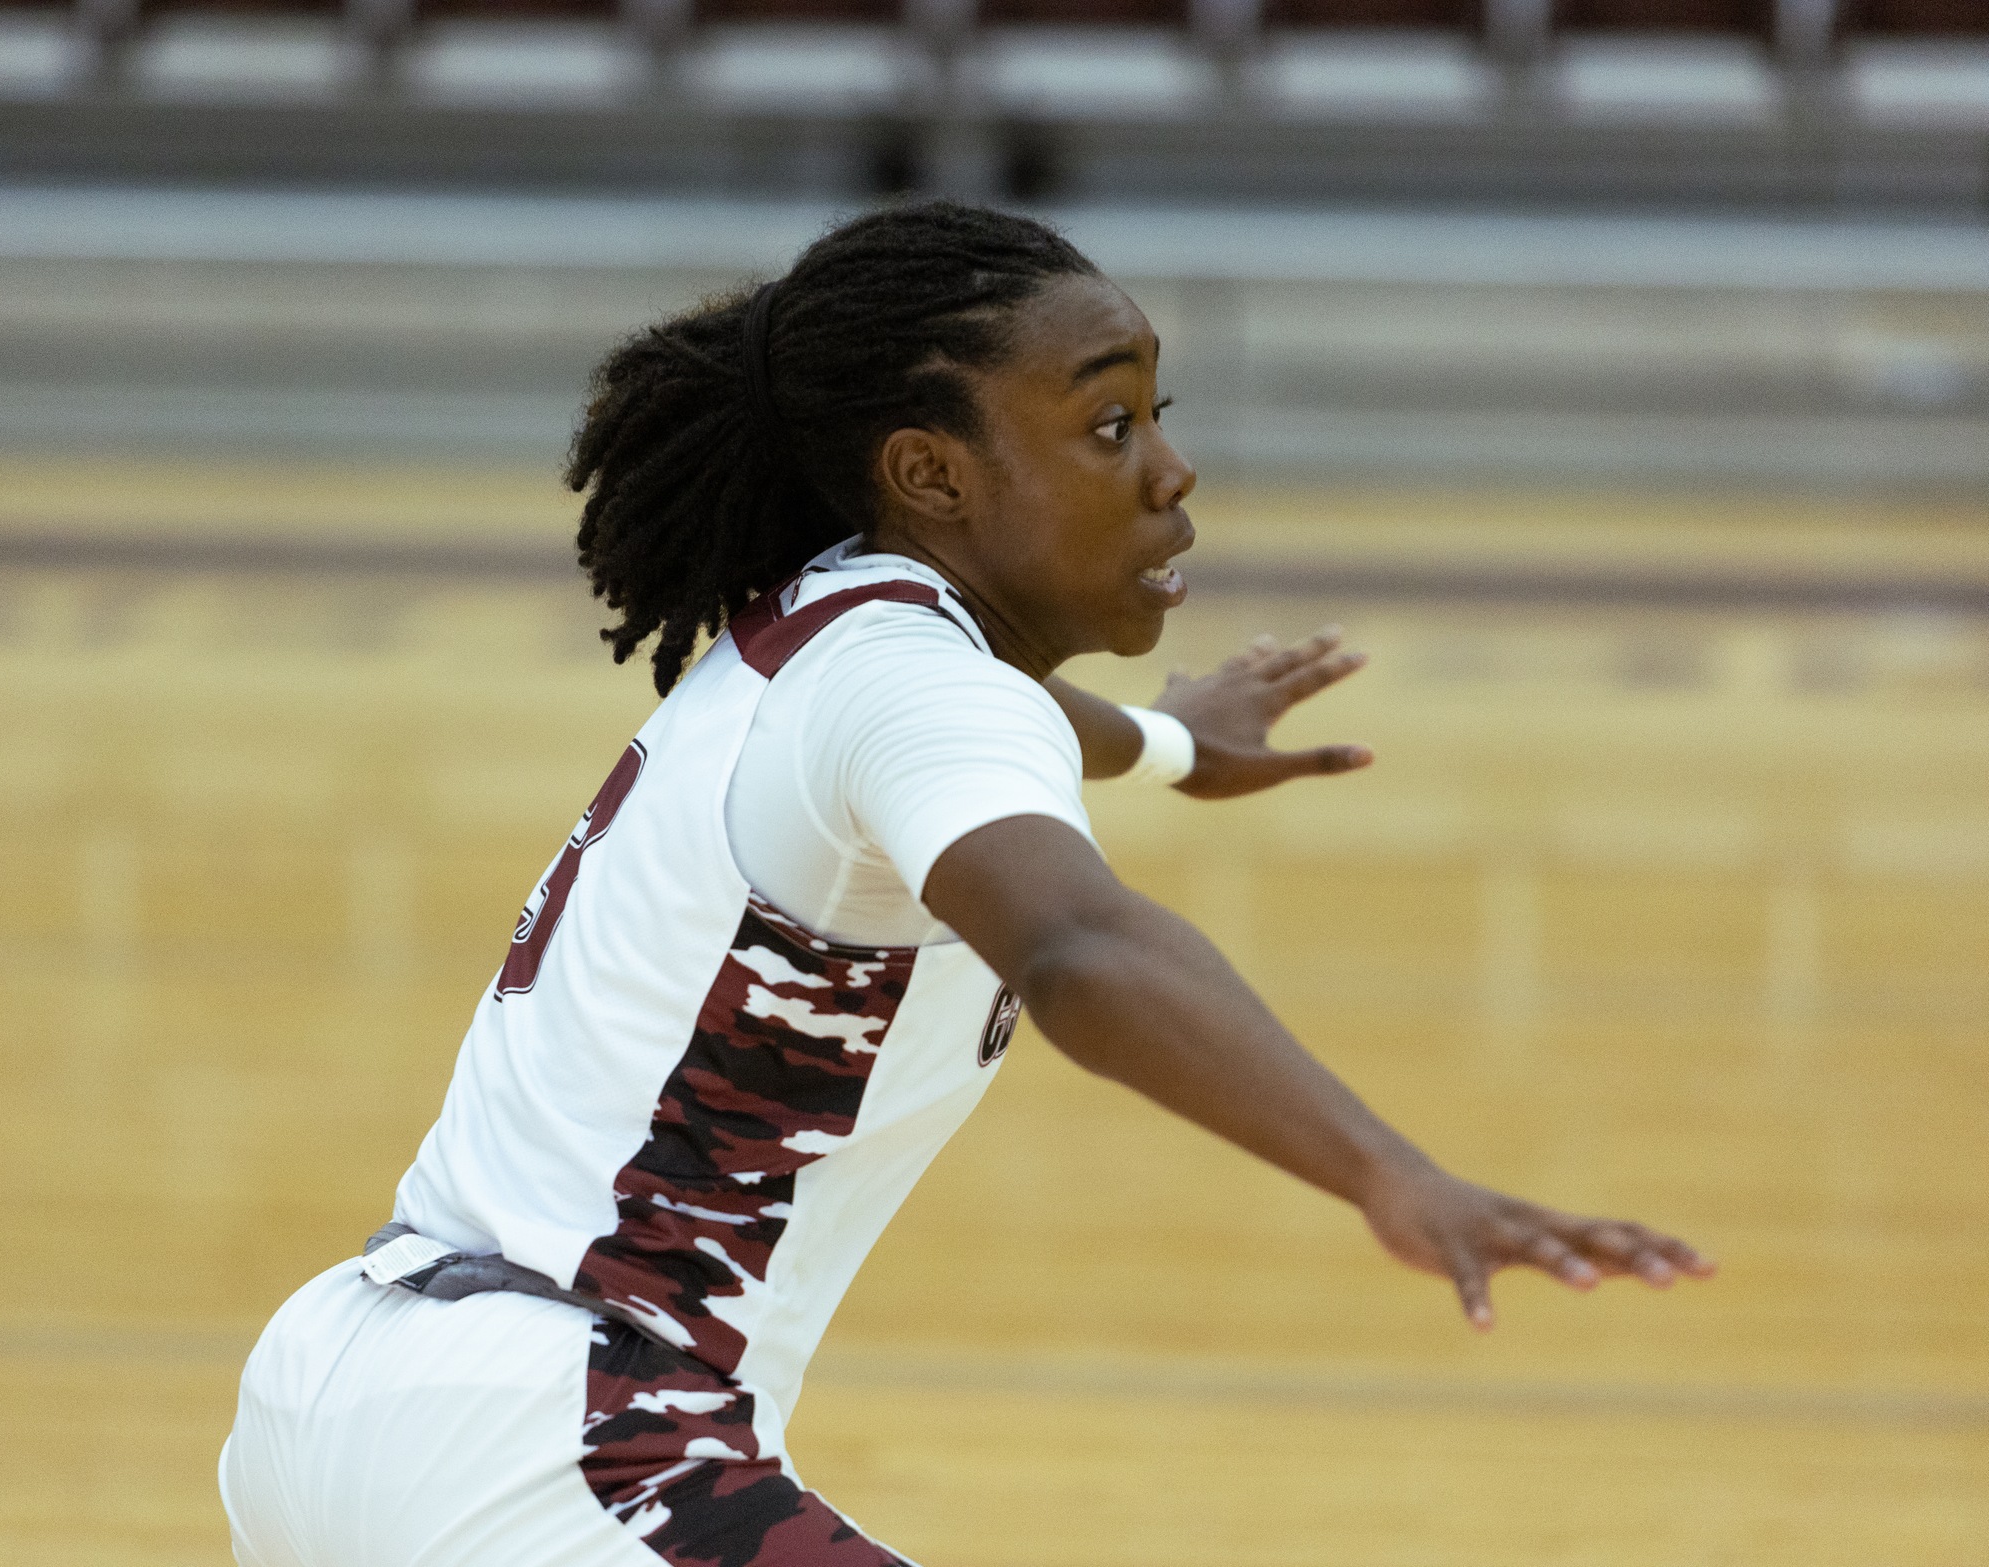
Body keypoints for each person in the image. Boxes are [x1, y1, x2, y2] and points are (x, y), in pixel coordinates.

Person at [219, 201, 1712, 1567]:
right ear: (931, 471)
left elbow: (989, 725)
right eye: (1109, 424)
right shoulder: (922, 691)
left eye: (1158, 417)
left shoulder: (819, 632)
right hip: (572, 1440)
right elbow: (1075, 947)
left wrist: (1178, 744)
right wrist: (1396, 1173)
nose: (1172, 471)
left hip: (342, 1390)